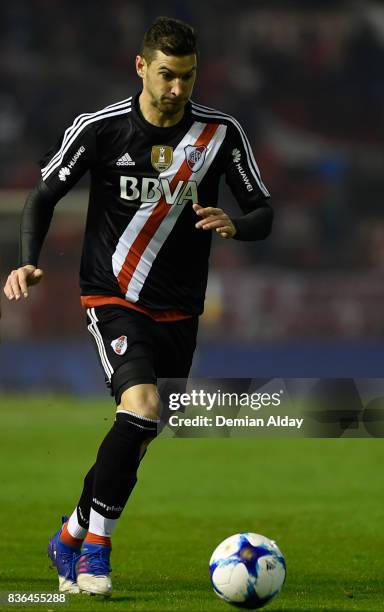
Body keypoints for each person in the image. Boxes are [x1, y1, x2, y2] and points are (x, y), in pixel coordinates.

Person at [3, 16, 273, 597]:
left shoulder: (220, 135)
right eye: (168, 76)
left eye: (189, 76)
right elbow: (44, 194)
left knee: (143, 427)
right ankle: (97, 550)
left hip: (182, 309)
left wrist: (239, 223)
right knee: (143, 405)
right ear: (141, 67)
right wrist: (27, 259)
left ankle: (72, 532)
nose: (179, 89)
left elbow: (263, 210)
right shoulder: (100, 130)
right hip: (113, 296)